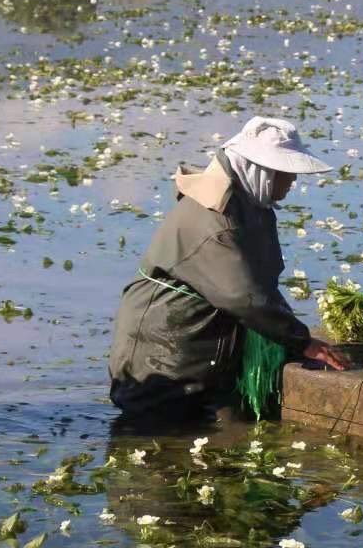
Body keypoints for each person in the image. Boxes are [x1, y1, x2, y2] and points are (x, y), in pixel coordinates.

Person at [109, 116, 347, 423]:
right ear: (260, 171)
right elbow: (244, 297)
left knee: (223, 437)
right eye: (286, 174)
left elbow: (262, 283)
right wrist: (302, 341)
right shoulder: (216, 224)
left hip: (205, 347)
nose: (293, 182)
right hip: (165, 356)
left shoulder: (249, 204)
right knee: (164, 442)